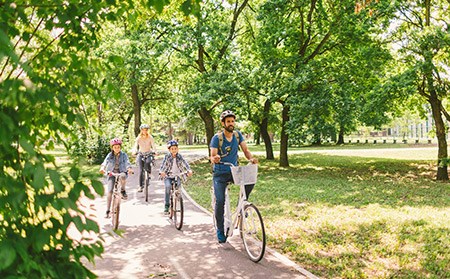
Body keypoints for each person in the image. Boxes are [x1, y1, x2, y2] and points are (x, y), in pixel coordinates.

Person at [210, 110, 258, 243]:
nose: (231, 124)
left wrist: (251, 159)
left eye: (232, 121)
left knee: (250, 179)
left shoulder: (237, 136)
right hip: (220, 173)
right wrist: (216, 158)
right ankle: (220, 229)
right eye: (228, 121)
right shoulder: (217, 138)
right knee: (220, 201)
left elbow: (246, 150)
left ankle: (242, 204)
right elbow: (212, 156)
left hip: (233, 171)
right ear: (223, 123)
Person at [99, 138, 134, 218]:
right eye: (115, 147)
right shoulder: (110, 155)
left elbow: (127, 162)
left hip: (121, 171)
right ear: (112, 148)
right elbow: (105, 162)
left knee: (123, 176)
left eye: (118, 147)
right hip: (111, 173)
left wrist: (129, 168)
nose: (117, 149)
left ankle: (123, 190)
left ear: (120, 147)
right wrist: (102, 168)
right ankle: (107, 210)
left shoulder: (124, 155)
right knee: (110, 191)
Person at [159, 140, 193, 214]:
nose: (174, 150)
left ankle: (177, 196)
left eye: (175, 148)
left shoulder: (179, 156)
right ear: (169, 150)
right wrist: (162, 171)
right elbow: (163, 164)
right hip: (168, 175)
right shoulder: (167, 156)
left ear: (178, 149)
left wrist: (189, 170)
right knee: (168, 187)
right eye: (172, 149)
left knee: (178, 186)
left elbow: (185, 163)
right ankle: (167, 206)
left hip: (177, 175)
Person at [132, 124, 157, 192]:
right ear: (141, 130)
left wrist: (155, 151)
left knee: (148, 162)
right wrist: (134, 151)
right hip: (141, 154)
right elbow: (135, 145)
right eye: (143, 130)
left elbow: (153, 146)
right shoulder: (139, 138)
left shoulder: (150, 137)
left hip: (149, 154)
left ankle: (149, 174)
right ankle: (140, 186)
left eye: (146, 130)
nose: (145, 131)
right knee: (140, 171)